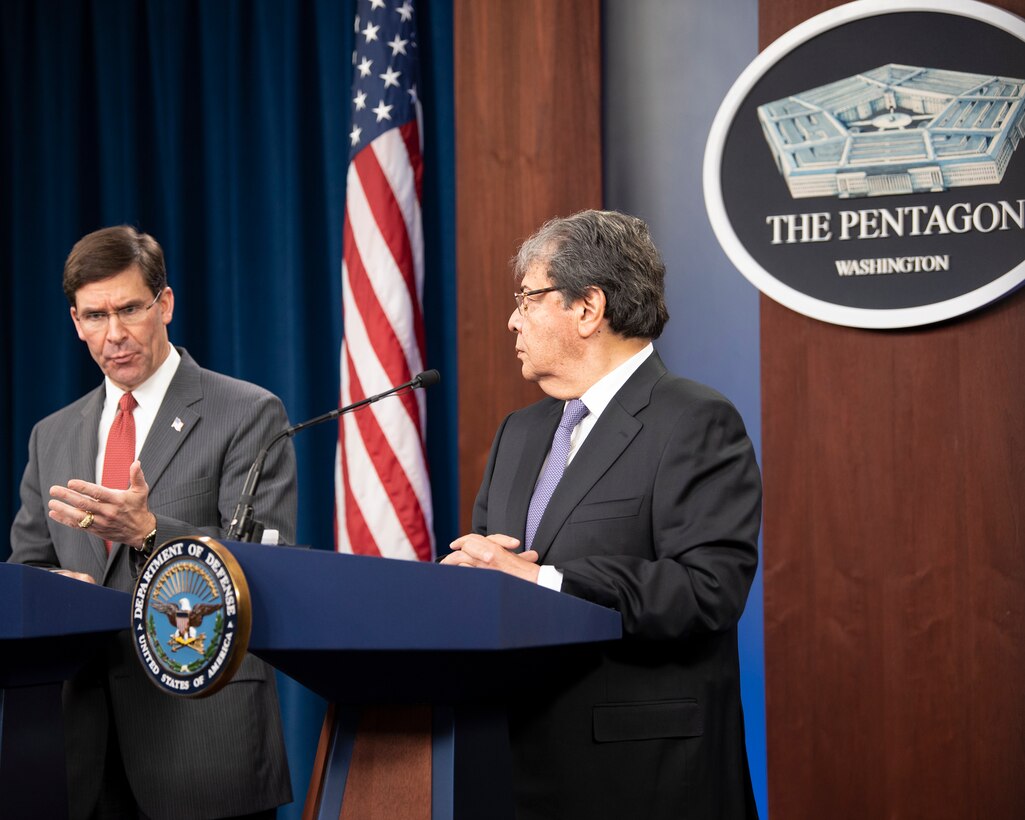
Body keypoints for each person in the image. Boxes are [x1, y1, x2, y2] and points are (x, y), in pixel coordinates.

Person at [442, 210, 762, 819]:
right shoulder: (519, 431)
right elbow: (493, 568)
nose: (512, 318)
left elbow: (708, 589)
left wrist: (548, 583)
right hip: (509, 769)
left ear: (588, 308)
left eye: (528, 298)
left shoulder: (695, 420)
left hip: (641, 778)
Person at [9, 226, 296, 820]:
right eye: (95, 316)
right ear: (75, 321)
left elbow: (265, 568)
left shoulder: (247, 413)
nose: (114, 334)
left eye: (130, 308)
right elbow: (28, 569)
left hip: (199, 740)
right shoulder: (51, 435)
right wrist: (54, 592)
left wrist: (149, 533)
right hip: (78, 745)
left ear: (164, 304)